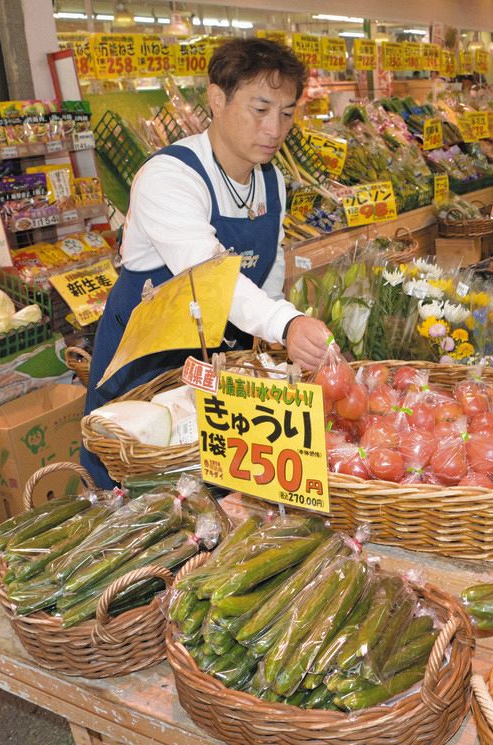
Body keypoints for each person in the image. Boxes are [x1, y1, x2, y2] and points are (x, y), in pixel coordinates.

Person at [82, 38, 333, 488]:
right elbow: (210, 276)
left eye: (287, 112)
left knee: (216, 490)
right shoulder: (170, 176)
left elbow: (268, 275)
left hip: (215, 358)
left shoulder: (271, 180)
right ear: (217, 99)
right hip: (147, 363)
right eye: (260, 109)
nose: (274, 128)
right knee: (141, 491)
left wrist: (275, 338)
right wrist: (287, 324)